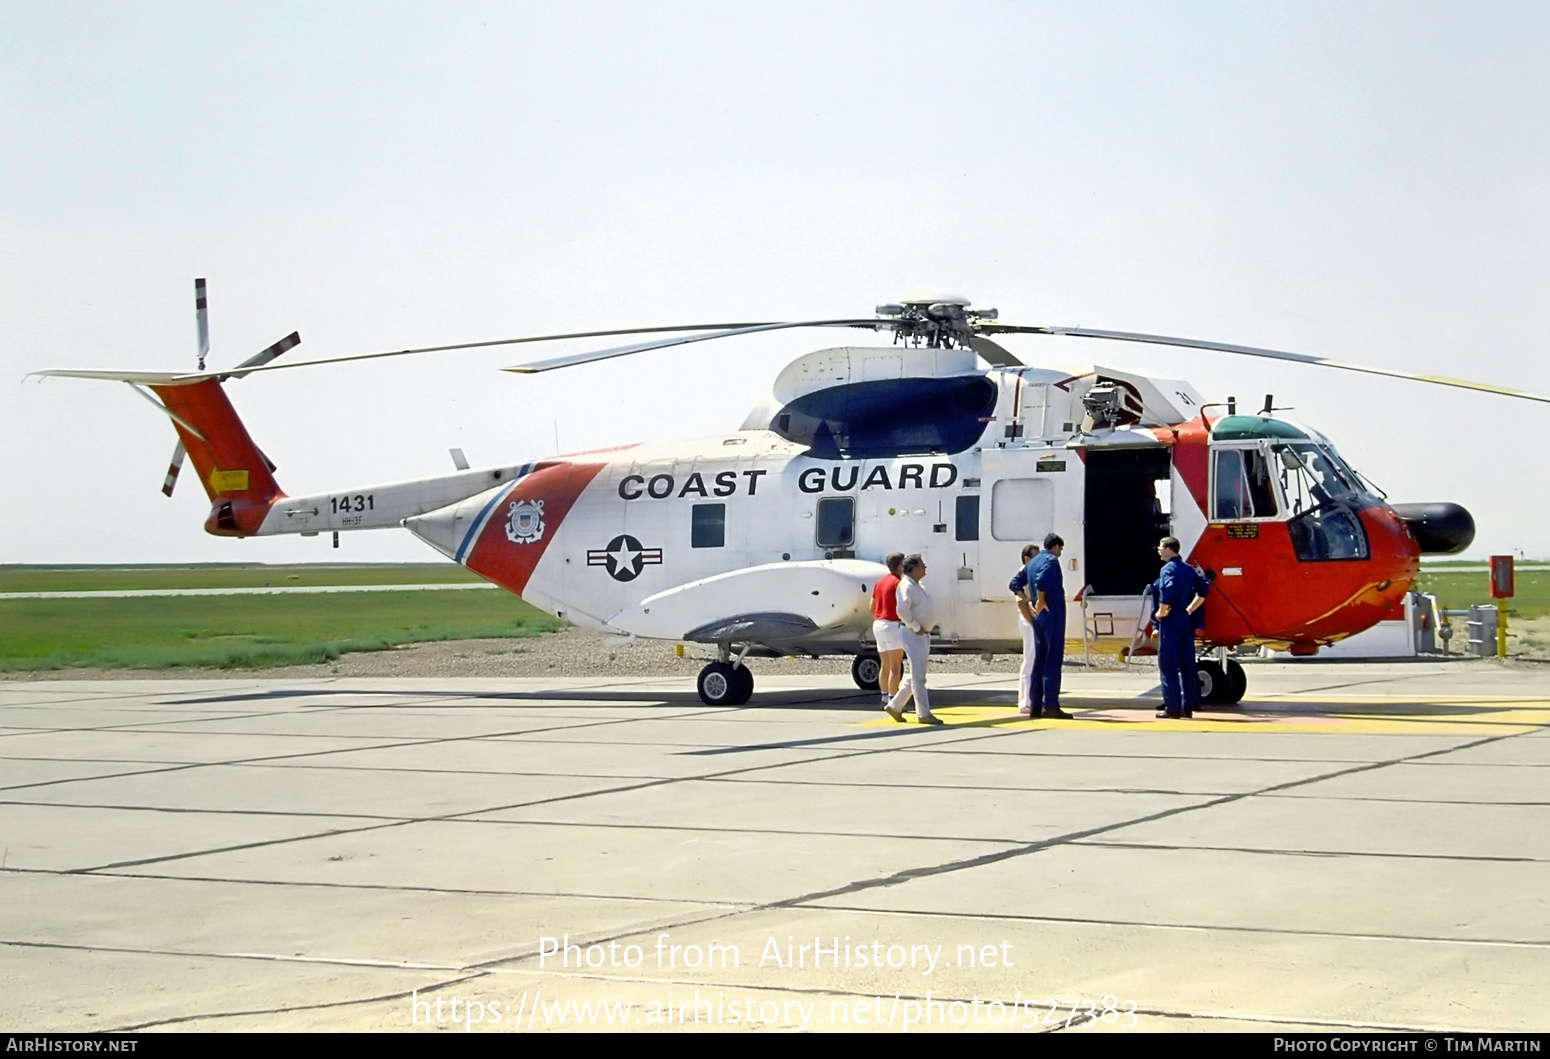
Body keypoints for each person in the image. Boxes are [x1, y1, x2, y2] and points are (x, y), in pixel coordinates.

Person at [1153, 536, 1209, 719]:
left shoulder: (1168, 569)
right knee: (1187, 664)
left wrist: (1161, 611)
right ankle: (1188, 706)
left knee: (1168, 664)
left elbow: (1167, 591)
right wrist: (1192, 608)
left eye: (1161, 547)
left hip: (1172, 620)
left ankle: (1173, 708)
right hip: (1186, 618)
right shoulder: (1188, 569)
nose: (1159, 550)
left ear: (1169, 548)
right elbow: (1203, 590)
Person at [883, 554, 942, 725]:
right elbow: (902, 610)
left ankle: (895, 706)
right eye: (922, 565)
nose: (925, 568)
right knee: (919, 677)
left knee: (916, 673)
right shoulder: (906, 586)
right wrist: (917, 627)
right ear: (914, 569)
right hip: (912, 634)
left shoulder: (916, 585)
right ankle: (923, 713)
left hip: (921, 635)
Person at [1026, 533, 1072, 719]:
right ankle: (1051, 705)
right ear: (1054, 546)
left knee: (1039, 660)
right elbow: (1043, 581)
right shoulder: (1051, 561)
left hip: (1038, 618)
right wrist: (1041, 599)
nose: (1060, 552)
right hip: (1052, 614)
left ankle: (1035, 705)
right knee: (1052, 661)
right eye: (1060, 548)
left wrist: (1029, 601)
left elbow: (1015, 583)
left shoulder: (1033, 562)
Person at [1008, 544, 1040, 715]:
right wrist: (1034, 624)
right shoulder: (1024, 573)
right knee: (1029, 660)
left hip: (1031, 621)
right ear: (1027, 558)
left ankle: (1030, 699)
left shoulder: (1030, 572)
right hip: (1029, 622)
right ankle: (1024, 701)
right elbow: (1021, 603)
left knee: (1033, 660)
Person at [871, 552, 906, 704]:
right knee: (895, 667)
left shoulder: (880, 583)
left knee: (884, 665)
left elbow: (871, 607)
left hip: (878, 624)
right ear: (900, 566)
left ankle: (884, 696)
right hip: (892, 624)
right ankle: (893, 700)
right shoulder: (899, 583)